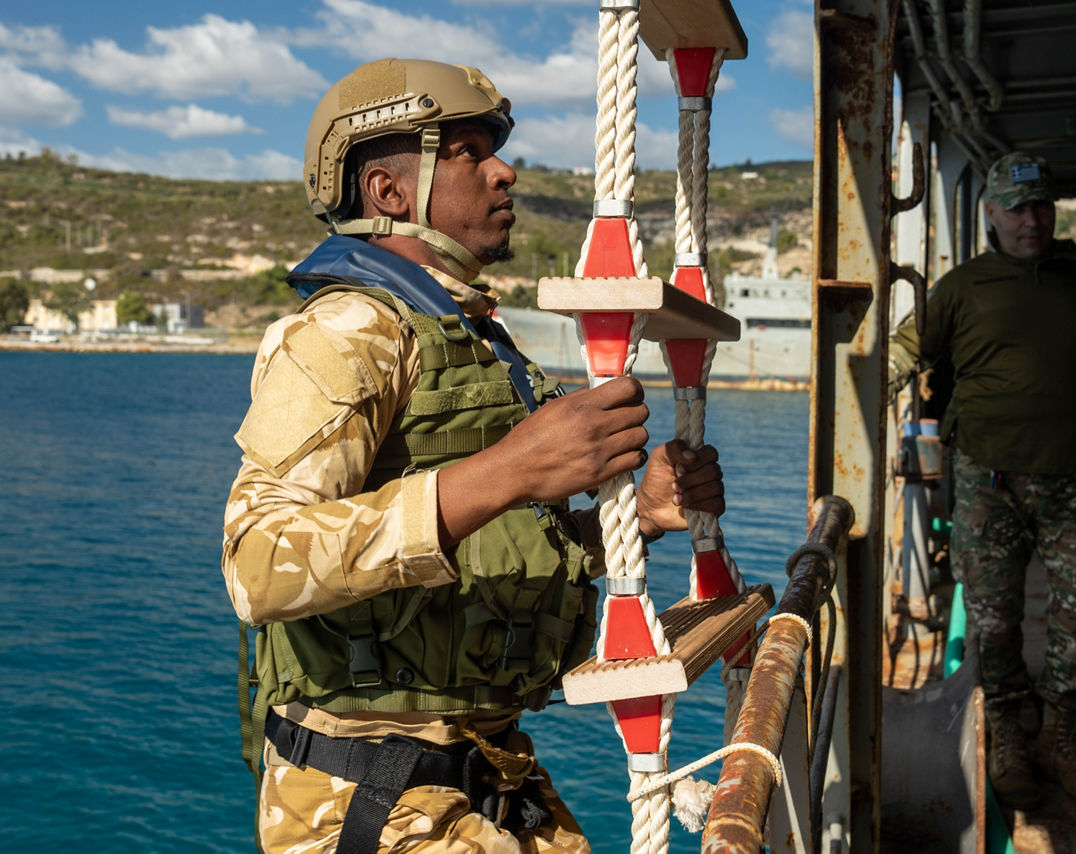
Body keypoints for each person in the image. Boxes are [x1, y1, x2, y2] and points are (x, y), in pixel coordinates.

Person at [221, 58, 726, 854]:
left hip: (490, 774)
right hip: (373, 798)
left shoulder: (476, 342)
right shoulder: (346, 332)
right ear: (388, 193)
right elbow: (257, 564)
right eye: (467, 151)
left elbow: (495, 551)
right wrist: (513, 469)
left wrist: (640, 518)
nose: (504, 169)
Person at [889, 152, 1076, 810]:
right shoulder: (963, 287)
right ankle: (1007, 725)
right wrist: (851, 399)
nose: (1030, 221)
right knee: (994, 619)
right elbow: (903, 352)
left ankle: (1060, 735)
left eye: (1040, 206)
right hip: (988, 482)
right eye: (1016, 208)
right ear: (991, 214)